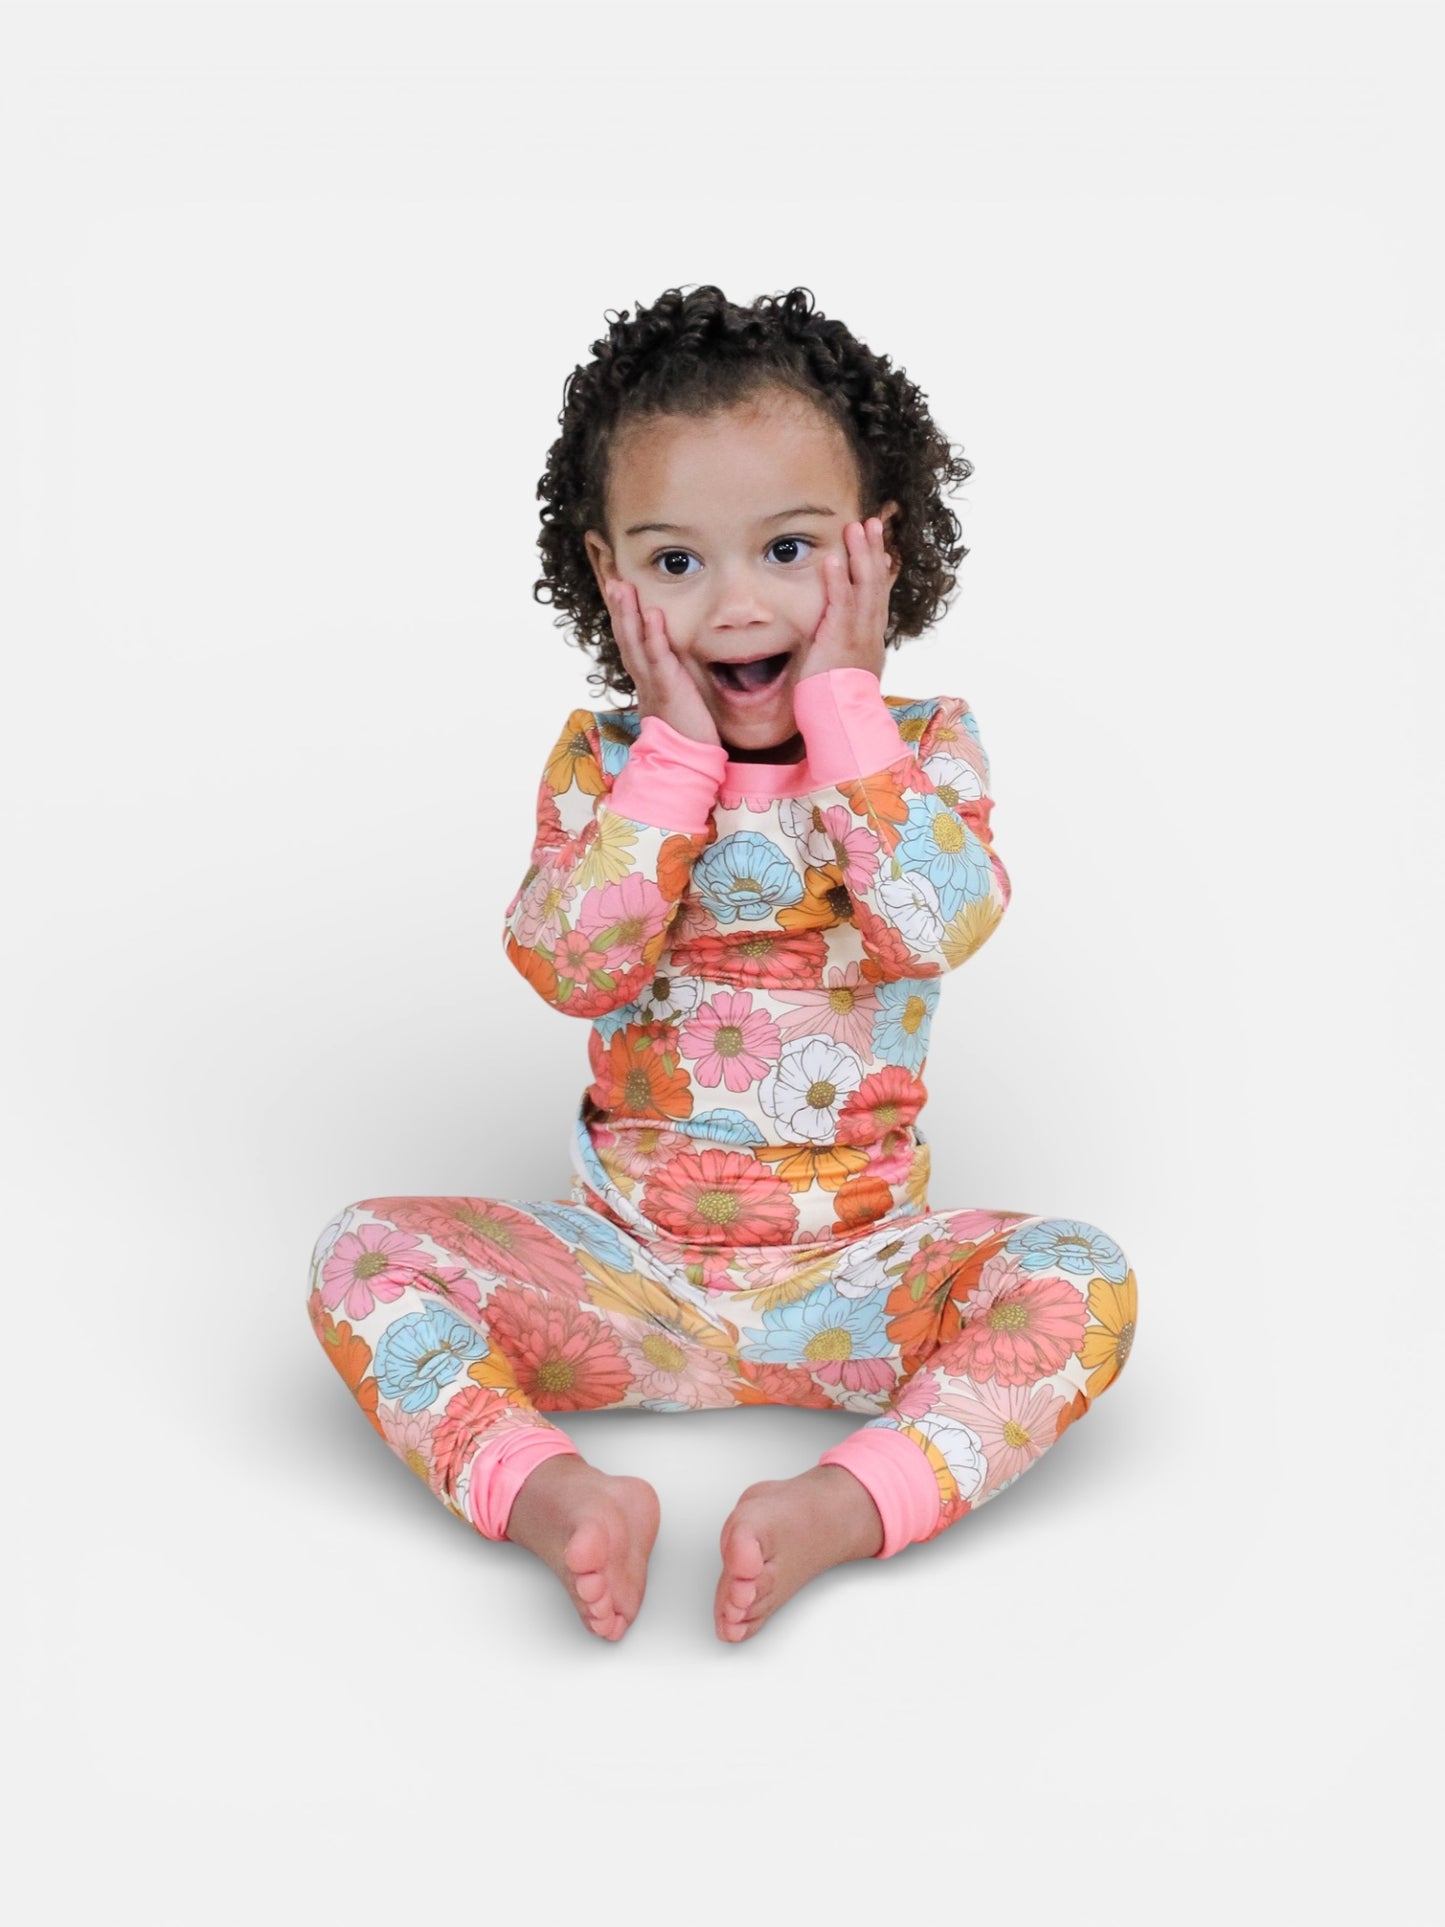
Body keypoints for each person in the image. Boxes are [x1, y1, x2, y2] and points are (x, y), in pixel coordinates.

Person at [305, 284, 1138, 1644]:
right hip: (622, 1279)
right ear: (608, 577)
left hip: (858, 1282)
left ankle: (840, 1505)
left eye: (787, 549)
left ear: (879, 548)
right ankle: (560, 1496)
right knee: (359, 1254)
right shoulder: (604, 765)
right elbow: (571, 966)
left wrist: (846, 714)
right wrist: (676, 764)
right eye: (677, 562)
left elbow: (935, 925)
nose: (736, 605)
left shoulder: (921, 750)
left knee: (1082, 1281)